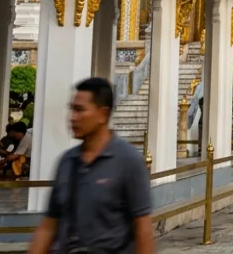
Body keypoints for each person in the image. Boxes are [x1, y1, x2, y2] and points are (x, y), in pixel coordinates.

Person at [25, 77, 154, 254]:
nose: (72, 117)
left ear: (103, 114)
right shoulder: (67, 162)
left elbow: (143, 229)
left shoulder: (128, 161)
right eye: (71, 109)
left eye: (79, 110)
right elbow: (49, 225)